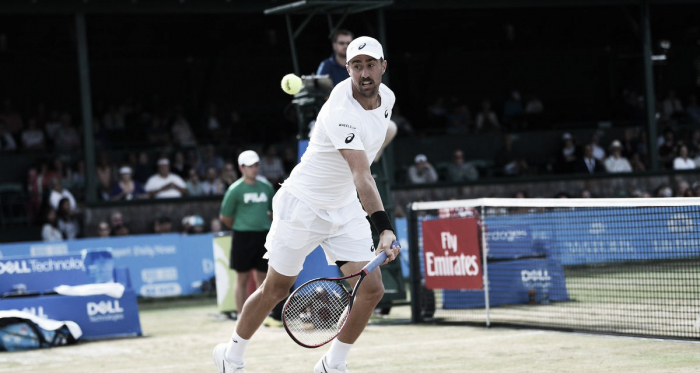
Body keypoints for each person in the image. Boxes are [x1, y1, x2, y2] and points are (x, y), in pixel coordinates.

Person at [212, 36, 401, 373]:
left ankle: (332, 364)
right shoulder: (339, 109)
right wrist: (384, 228)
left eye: (371, 64)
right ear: (348, 69)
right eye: (357, 66)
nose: (365, 72)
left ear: (383, 66)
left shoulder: (387, 98)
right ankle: (231, 355)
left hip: (343, 208)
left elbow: (370, 154)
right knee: (276, 288)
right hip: (303, 205)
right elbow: (362, 175)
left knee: (371, 290)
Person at [218, 150, 275, 321]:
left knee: (263, 277)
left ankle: (262, 314)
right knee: (241, 277)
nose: (254, 169)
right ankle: (240, 315)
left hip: (263, 236)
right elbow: (225, 216)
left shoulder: (266, 187)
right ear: (241, 168)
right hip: (242, 236)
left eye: (256, 165)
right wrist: (241, 226)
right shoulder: (235, 190)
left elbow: (273, 212)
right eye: (250, 166)